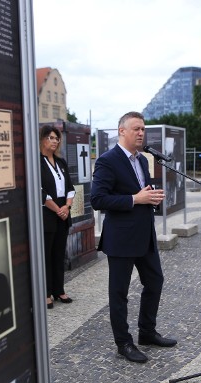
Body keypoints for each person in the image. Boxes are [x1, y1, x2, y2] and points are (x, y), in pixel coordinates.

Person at [90, 111, 177, 363]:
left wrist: (151, 197)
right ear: (122, 131)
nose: (141, 133)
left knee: (155, 282)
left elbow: (143, 192)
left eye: (143, 129)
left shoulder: (142, 160)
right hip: (121, 239)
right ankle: (123, 343)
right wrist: (134, 199)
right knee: (119, 293)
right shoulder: (108, 160)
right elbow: (98, 199)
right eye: (136, 129)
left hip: (144, 235)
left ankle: (147, 332)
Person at [40, 125, 75, 308]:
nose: (54, 141)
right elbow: (40, 191)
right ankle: (46, 293)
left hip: (63, 213)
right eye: (51, 138)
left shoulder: (61, 163)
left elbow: (70, 187)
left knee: (59, 254)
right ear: (42, 139)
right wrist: (58, 209)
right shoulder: (36, 162)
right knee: (46, 255)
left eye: (57, 138)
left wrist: (67, 207)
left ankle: (58, 290)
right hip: (47, 214)